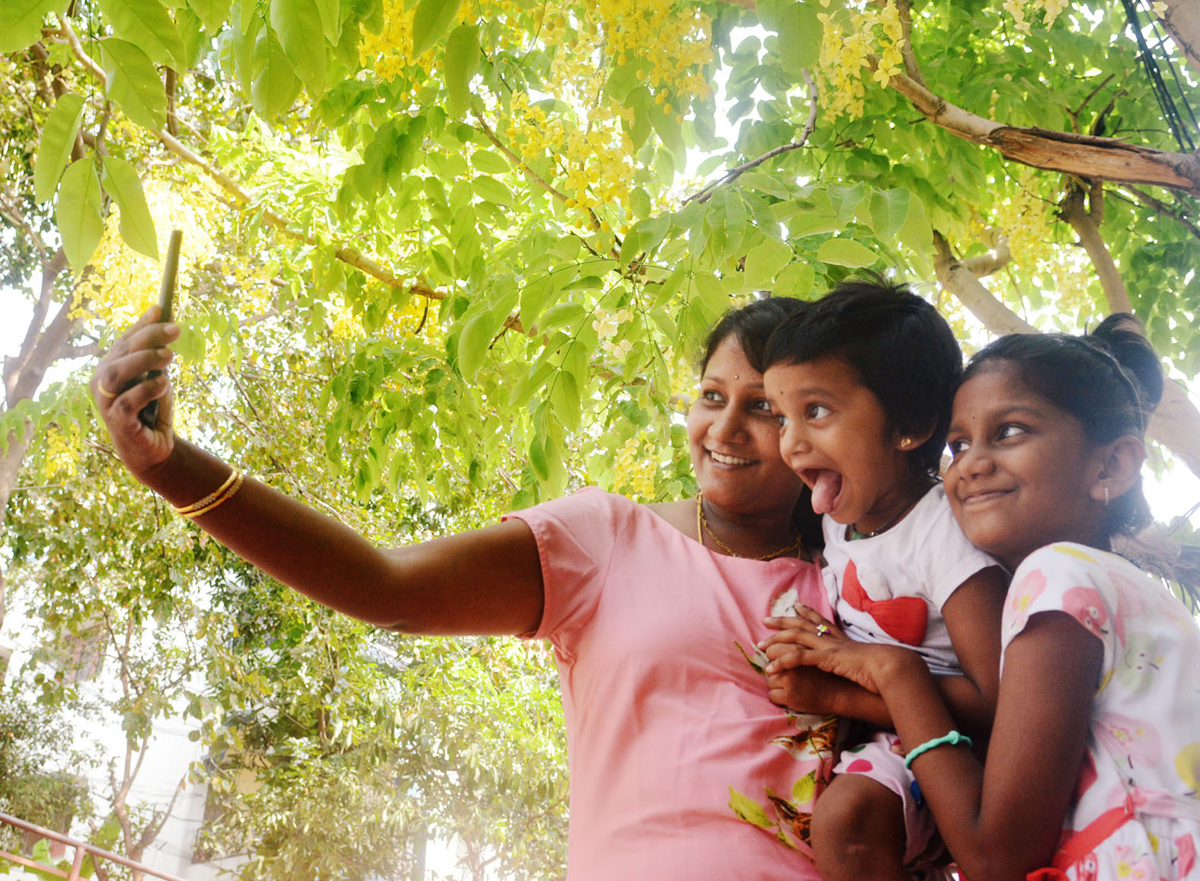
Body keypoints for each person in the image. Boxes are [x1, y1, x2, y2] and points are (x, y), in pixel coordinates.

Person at [90, 296, 837, 880]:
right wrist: (169, 467)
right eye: (711, 394)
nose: (726, 426)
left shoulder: (863, 578)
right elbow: (386, 585)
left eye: (765, 407)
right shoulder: (608, 538)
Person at [763, 316, 1200, 881]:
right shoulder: (1098, 587)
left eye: (1011, 431)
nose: (969, 463)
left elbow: (994, 857)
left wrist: (891, 672)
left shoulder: (1061, 577)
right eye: (959, 443)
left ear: (1110, 464)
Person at [758, 278, 1009, 881]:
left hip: (955, 750)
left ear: (911, 425)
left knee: (845, 820)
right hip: (886, 729)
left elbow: (1001, 701)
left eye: (816, 411)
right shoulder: (843, 526)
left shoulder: (945, 533)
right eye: (781, 415)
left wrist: (841, 688)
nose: (791, 443)